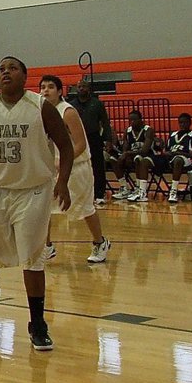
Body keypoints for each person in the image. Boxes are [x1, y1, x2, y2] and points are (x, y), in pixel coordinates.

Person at [0, 57, 73, 351]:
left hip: (33, 192)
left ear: (25, 76)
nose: (6, 72)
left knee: (33, 258)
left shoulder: (40, 106)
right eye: (1, 68)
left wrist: (62, 181)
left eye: (13, 68)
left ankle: (37, 323)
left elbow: (65, 145)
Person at [39, 75, 111, 264]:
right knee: (44, 207)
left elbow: (79, 144)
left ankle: (100, 242)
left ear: (60, 91)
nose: (46, 90)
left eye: (51, 87)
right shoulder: (41, 112)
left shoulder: (68, 112)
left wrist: (63, 161)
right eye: (43, 87)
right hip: (52, 169)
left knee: (85, 209)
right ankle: (46, 247)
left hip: (77, 168)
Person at [67, 79, 113, 204]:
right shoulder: (71, 105)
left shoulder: (97, 104)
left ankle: (99, 194)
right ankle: (79, 193)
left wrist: (108, 139)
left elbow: (105, 122)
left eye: (84, 86)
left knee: (97, 166)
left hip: (93, 138)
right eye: (79, 86)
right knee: (76, 165)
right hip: (76, 139)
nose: (81, 88)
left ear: (89, 88)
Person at [111, 110, 157, 202]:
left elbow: (144, 151)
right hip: (132, 156)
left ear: (141, 120)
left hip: (149, 157)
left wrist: (128, 154)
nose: (132, 122)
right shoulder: (128, 131)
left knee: (138, 158)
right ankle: (124, 188)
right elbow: (125, 148)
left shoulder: (148, 130)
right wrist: (125, 155)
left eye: (134, 119)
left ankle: (141, 191)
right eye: (130, 120)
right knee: (114, 159)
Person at [161, 113, 192, 203]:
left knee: (178, 159)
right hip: (170, 159)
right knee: (149, 160)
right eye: (180, 122)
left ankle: (174, 190)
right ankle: (140, 189)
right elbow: (167, 150)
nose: (182, 124)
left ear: (190, 123)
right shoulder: (172, 135)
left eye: (185, 122)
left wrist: (179, 153)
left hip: (186, 160)